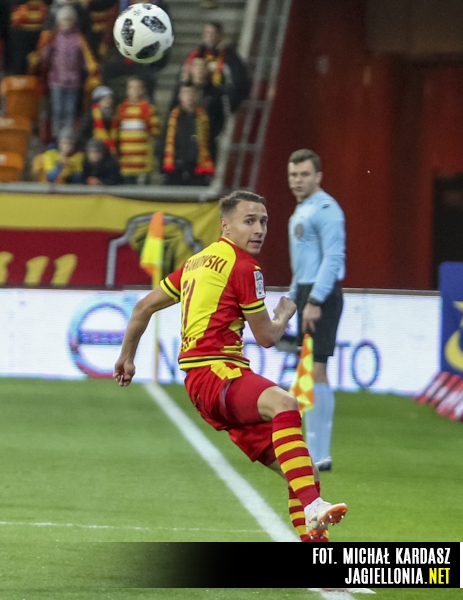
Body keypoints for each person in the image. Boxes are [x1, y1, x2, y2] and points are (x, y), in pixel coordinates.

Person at [113, 190, 348, 542]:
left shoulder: (195, 263)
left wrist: (126, 357)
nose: (259, 229)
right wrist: (284, 315)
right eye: (249, 221)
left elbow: (143, 306)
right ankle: (314, 506)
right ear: (225, 225)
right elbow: (266, 336)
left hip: (204, 385)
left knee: (304, 472)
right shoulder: (244, 267)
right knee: (285, 403)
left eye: (263, 221)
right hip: (216, 373)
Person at [286, 149, 346, 472]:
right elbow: (303, 264)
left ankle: (320, 454)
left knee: (317, 368)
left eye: (304, 174)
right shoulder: (303, 209)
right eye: (293, 175)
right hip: (307, 291)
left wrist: (315, 300)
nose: (298, 180)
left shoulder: (326, 209)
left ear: (318, 176)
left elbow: (333, 259)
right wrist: (292, 297)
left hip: (321, 294)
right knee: (309, 369)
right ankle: (313, 449)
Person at [30, 4, 99, 140]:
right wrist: (41, 56)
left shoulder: (79, 39)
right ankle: (57, 138)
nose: (66, 23)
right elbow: (45, 57)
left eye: (69, 20)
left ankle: (68, 139)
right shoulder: (53, 38)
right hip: (56, 81)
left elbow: (86, 59)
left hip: (73, 82)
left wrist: (93, 71)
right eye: (63, 20)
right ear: (58, 22)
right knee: (57, 111)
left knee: (70, 111)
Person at [159, 83, 214, 186]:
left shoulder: (205, 118)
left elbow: (210, 143)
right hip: (175, 168)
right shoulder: (173, 118)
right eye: (185, 93)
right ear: (180, 96)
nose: (189, 96)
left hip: (198, 169)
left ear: (197, 96)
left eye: (192, 93)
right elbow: (164, 142)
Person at [111, 77, 158, 184]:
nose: (134, 90)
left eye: (138, 87)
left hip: (142, 164)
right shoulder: (121, 109)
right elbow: (115, 134)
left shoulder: (149, 109)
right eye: (131, 87)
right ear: (127, 90)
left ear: (142, 90)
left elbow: (154, 134)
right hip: (126, 163)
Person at [80, 85, 115, 154]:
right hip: (95, 151)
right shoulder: (90, 115)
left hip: (110, 151)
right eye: (105, 99)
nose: (108, 101)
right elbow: (83, 134)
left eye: (109, 98)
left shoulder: (114, 116)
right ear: (98, 101)